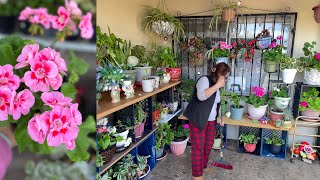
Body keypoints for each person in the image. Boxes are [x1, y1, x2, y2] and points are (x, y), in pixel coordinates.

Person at [184, 62, 231, 180]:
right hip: (198, 119)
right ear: (219, 74)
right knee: (198, 148)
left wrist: (220, 117)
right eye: (225, 77)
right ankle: (196, 175)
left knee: (208, 145)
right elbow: (201, 96)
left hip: (211, 121)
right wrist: (217, 86)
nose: (226, 80)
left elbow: (217, 104)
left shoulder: (217, 86)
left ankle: (203, 167)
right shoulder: (205, 80)